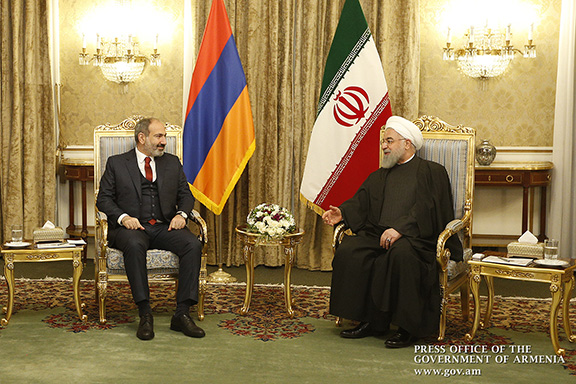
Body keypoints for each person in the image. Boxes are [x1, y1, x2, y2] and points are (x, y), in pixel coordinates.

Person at [322, 116, 462, 348]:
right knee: (351, 250)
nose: (384, 146)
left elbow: (429, 208)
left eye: (389, 141)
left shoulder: (431, 171)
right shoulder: (381, 174)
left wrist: (400, 229)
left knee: (401, 256)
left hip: (417, 238)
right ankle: (369, 320)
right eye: (383, 142)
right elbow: (362, 201)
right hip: (379, 234)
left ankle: (408, 328)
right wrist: (343, 213)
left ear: (407, 143)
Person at [96, 117, 205, 341]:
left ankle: (182, 314)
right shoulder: (117, 163)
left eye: (164, 136)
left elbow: (186, 195)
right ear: (142, 138)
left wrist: (181, 215)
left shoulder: (172, 163)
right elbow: (103, 200)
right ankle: (145, 314)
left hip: (164, 226)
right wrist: (124, 218)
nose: (164, 141)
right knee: (134, 245)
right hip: (131, 229)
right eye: (159, 136)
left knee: (192, 244)